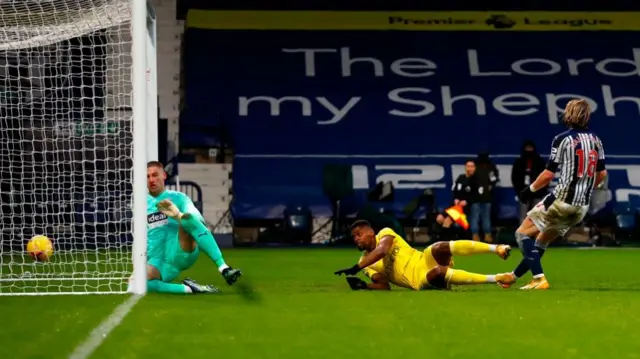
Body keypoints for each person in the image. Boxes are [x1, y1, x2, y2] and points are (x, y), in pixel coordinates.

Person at [497, 99, 607, 290]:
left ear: (569, 115)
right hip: (581, 207)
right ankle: (513, 277)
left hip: (561, 200)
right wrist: (586, 189)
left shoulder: (563, 139)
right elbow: (602, 174)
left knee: (522, 233)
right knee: (541, 241)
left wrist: (528, 190)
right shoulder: (596, 140)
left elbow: (548, 175)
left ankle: (539, 278)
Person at [140, 161, 242, 294]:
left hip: (181, 249)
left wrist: (177, 215)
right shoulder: (141, 203)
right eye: (147, 177)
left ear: (164, 175)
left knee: (187, 221)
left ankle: (224, 268)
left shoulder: (179, 198)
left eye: (155, 175)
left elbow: (196, 220)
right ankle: (190, 289)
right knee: (137, 285)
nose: (151, 180)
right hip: (158, 260)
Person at [333, 220, 514, 291]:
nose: (356, 239)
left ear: (371, 232)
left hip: (422, 259)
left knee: (438, 247)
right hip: (418, 279)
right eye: (353, 237)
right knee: (437, 272)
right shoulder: (366, 263)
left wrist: (358, 267)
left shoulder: (385, 234)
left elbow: (381, 251)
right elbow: (384, 285)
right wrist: (365, 285)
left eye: (359, 234)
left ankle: (496, 248)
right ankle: (496, 278)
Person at [435, 159, 477, 241]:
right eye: (468, 166)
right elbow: (454, 190)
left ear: (475, 168)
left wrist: (467, 201)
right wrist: (456, 199)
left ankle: (444, 242)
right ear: (465, 167)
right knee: (439, 218)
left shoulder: (476, 180)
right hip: (455, 205)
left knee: (448, 221)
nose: (470, 168)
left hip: (465, 208)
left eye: (472, 166)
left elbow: (476, 195)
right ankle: (448, 239)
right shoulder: (461, 178)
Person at [511, 140, 546, 222]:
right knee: (523, 216)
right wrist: (519, 191)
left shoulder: (540, 162)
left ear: (534, 149)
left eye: (530, 148)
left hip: (537, 192)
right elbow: (514, 178)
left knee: (537, 217)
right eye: (527, 148)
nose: (529, 150)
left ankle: (536, 233)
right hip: (524, 193)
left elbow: (545, 177)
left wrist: (542, 191)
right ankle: (522, 234)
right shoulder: (519, 162)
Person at [472, 152, 499, 242]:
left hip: (487, 198)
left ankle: (488, 236)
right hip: (475, 198)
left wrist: (491, 186)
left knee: (486, 217)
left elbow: (494, 179)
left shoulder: (491, 167)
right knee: (475, 218)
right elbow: (470, 181)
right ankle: (475, 236)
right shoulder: (474, 167)